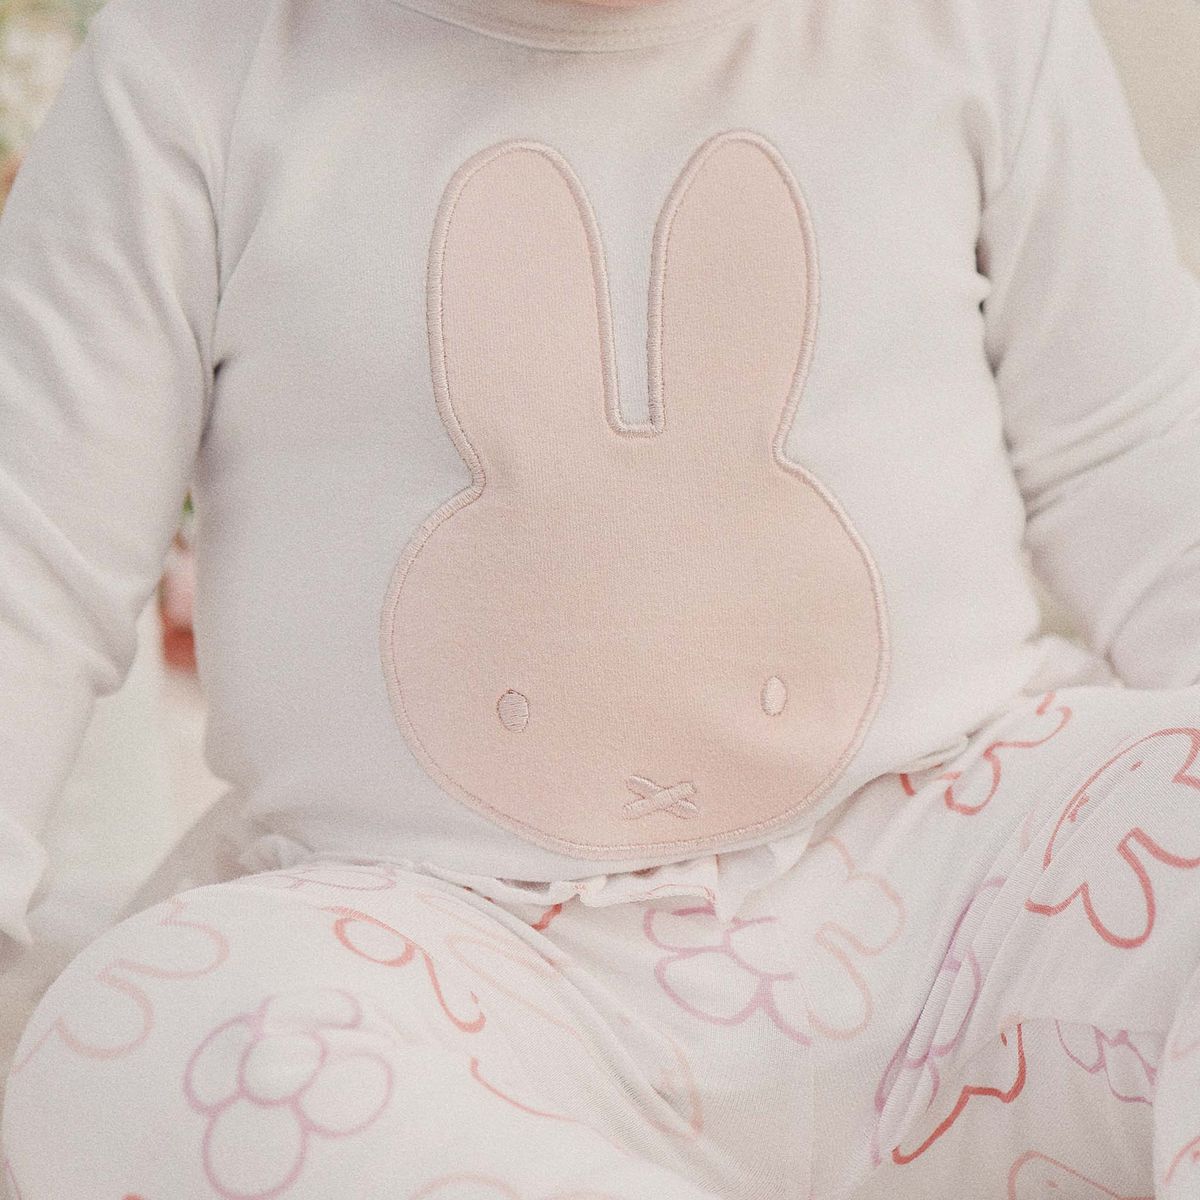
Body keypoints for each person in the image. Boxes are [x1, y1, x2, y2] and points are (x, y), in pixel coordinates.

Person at [1, 0, 1199, 1194]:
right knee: (151, 1044)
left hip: (949, 885)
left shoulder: (976, 26)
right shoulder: (197, 65)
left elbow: (1136, 453)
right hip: (435, 943)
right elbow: (33, 559)